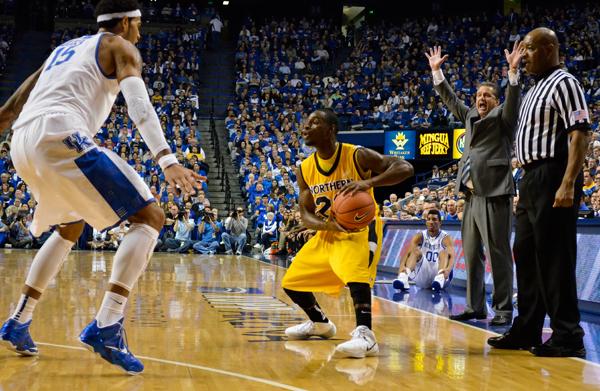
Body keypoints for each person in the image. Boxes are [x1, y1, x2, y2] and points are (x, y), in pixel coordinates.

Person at [0, 0, 202, 374]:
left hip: (22, 142)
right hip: (60, 134)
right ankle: (108, 324)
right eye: (138, 25)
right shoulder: (120, 46)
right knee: (150, 217)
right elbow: (139, 105)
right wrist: (166, 159)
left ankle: (18, 320)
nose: (139, 33)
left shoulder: (65, 49)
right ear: (125, 22)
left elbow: (17, 99)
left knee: (70, 226)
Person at [488, 28, 589, 358]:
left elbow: (579, 133)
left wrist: (568, 182)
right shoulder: (533, 90)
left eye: (529, 49)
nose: (524, 54)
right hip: (530, 179)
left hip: (553, 175)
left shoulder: (565, 82)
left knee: (555, 258)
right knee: (527, 257)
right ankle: (528, 327)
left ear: (548, 48)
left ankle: (568, 334)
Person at [281, 108, 413, 358]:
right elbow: (305, 214)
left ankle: (366, 335)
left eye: (314, 122)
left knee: (356, 275)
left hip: (360, 230)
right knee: (292, 283)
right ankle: (320, 323)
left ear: (331, 130)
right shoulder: (305, 168)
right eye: (306, 123)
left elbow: (405, 167)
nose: (306, 127)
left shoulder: (357, 155)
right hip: (328, 232)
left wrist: (369, 183)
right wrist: (325, 226)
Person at [426, 43, 522, 326]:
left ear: (495, 100)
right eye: (479, 95)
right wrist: (437, 73)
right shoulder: (469, 116)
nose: (481, 99)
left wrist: (513, 73)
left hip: (495, 193)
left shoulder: (504, 117)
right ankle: (475, 306)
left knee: (499, 253)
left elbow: (513, 99)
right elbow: (452, 100)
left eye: (488, 95)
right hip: (470, 196)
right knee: (471, 254)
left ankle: (503, 308)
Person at [393, 209, 455, 291]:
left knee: (444, 252)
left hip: (440, 273)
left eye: (434, 219)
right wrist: (401, 268)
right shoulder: (419, 236)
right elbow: (407, 254)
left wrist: (448, 270)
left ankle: (440, 278)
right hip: (423, 273)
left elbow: (452, 256)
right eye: (428, 219)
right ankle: (404, 278)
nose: (431, 222)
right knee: (415, 251)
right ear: (426, 222)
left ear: (440, 223)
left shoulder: (446, 237)